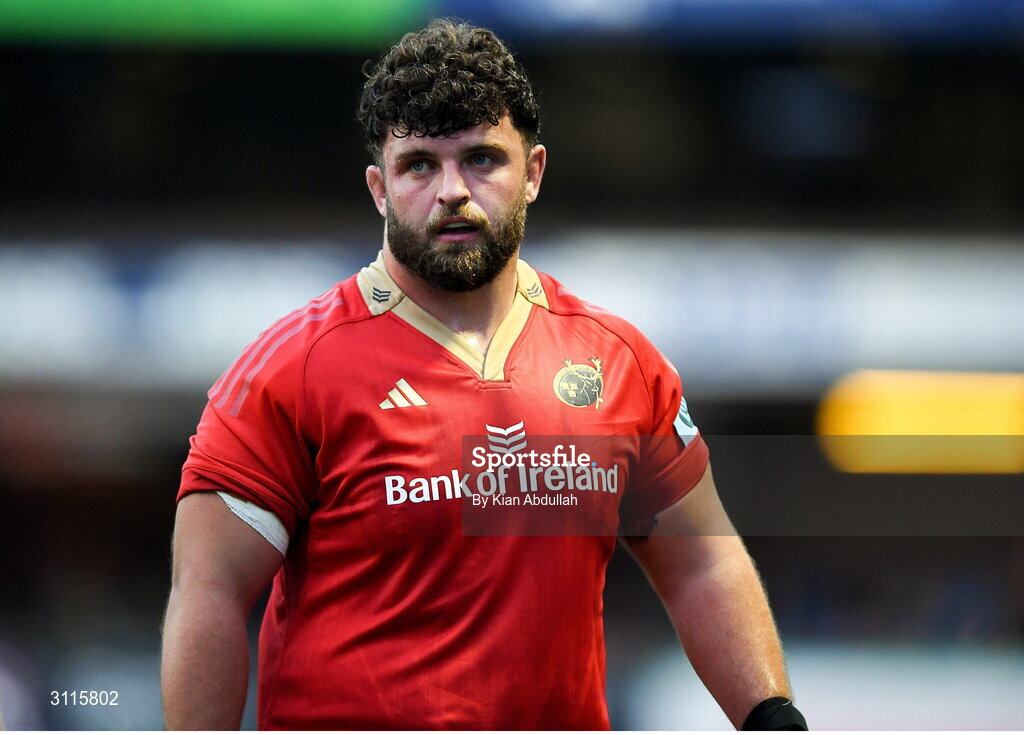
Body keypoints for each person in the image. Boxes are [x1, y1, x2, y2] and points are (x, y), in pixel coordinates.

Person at [160, 18, 806, 731]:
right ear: (379, 187)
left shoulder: (619, 362)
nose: (451, 192)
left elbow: (701, 566)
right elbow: (210, 592)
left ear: (532, 172)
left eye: (480, 160)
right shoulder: (290, 371)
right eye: (419, 166)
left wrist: (772, 715)